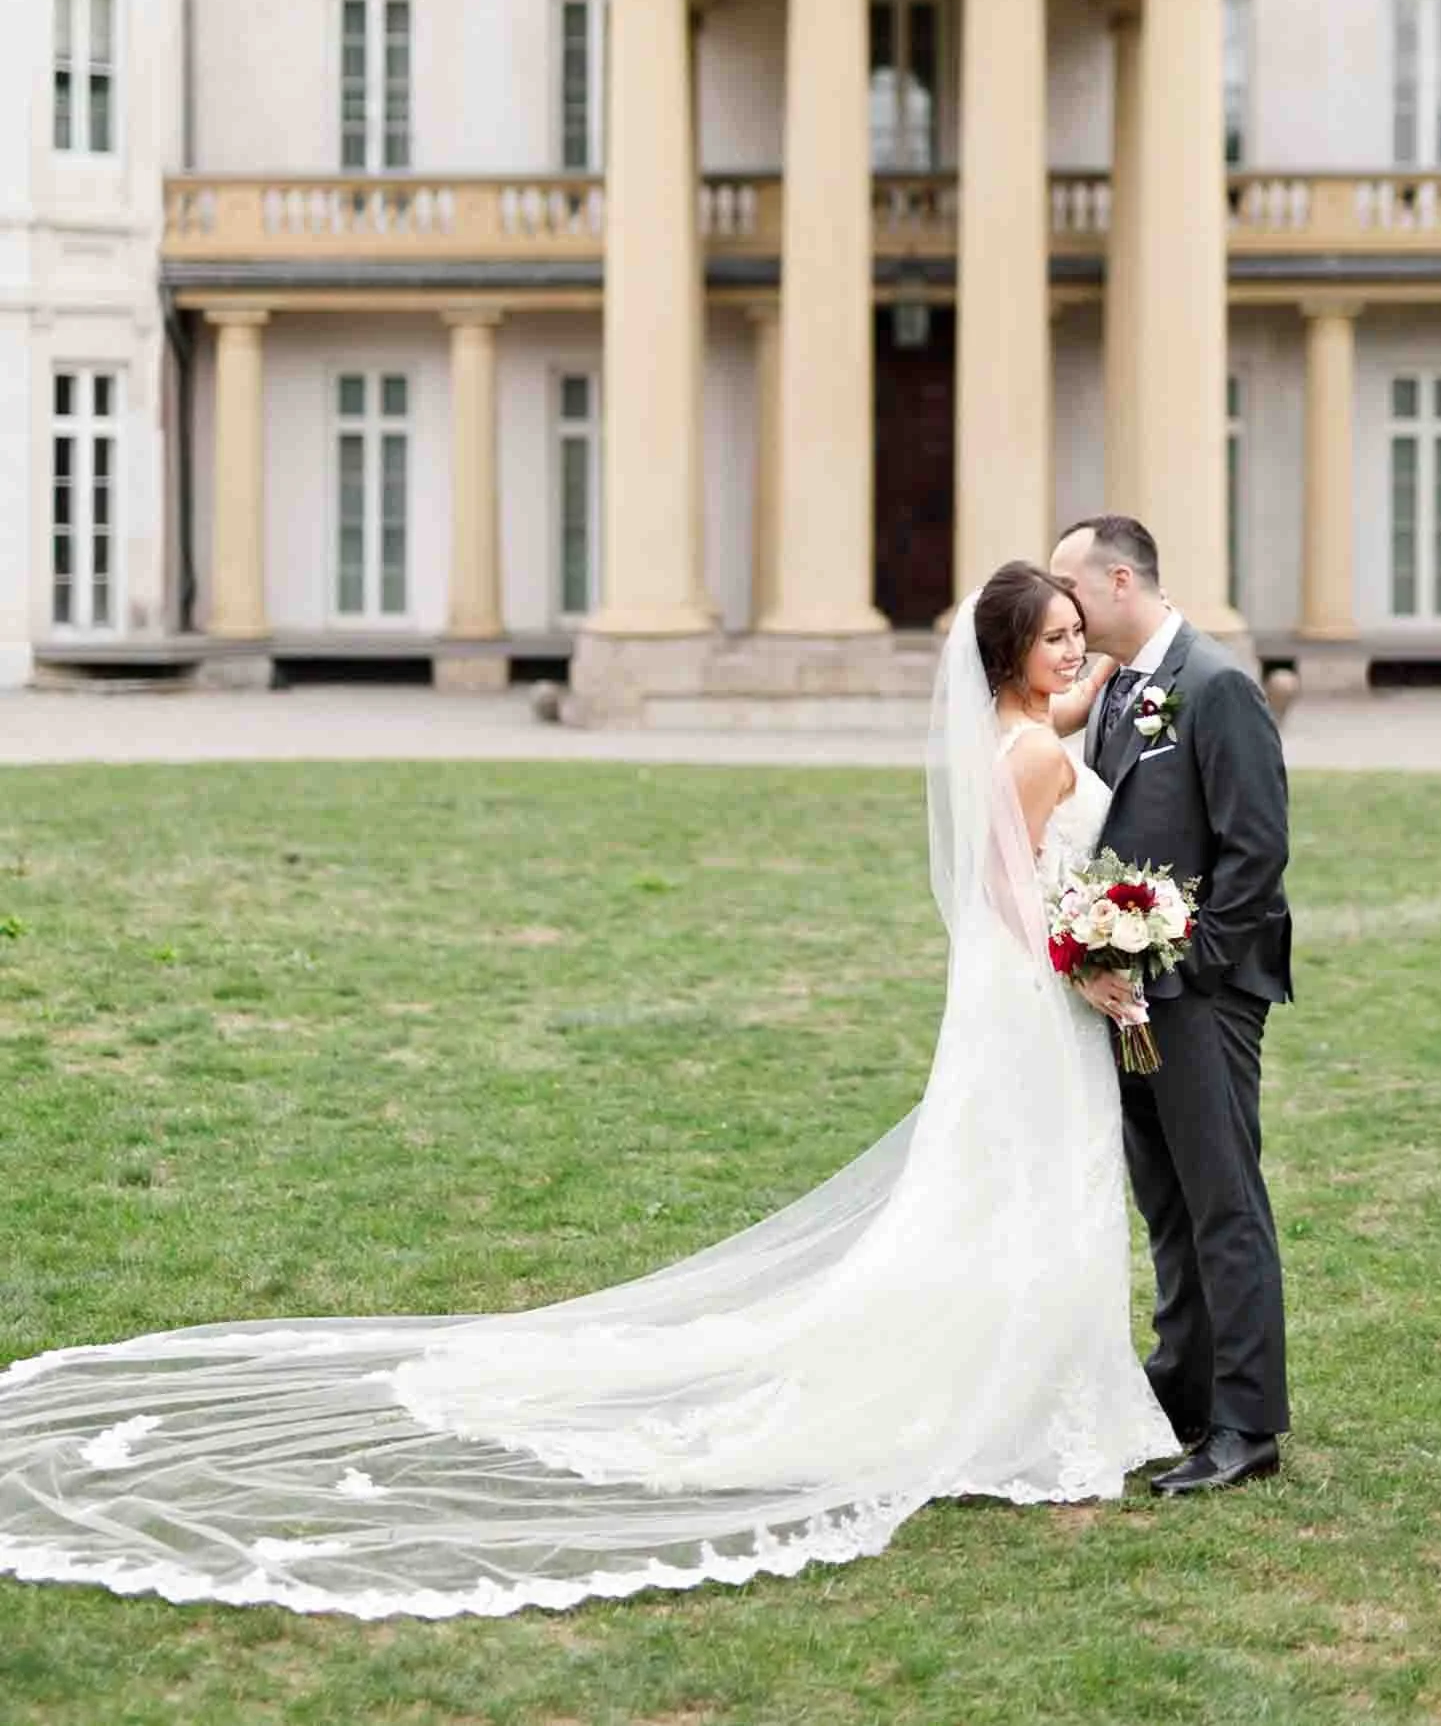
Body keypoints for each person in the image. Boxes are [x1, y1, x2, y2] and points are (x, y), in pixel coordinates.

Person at [0, 565, 1175, 1622]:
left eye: (1079, 632)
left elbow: (1057, 741)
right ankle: (1026, 1394)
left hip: (1026, 995)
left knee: (1016, 1182)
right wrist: (1084, 968)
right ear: (1010, 651)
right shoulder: (1023, 753)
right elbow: (1009, 882)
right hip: (1034, 996)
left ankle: (1038, 1380)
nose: (1073, 651)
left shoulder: (1022, 729)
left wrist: (1127, 662)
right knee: (1027, 1181)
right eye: (1056, 636)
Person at [1049, 514, 1293, 1495]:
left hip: (1203, 995)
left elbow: (1254, 855)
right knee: (1169, 1204)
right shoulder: (1118, 692)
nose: (1062, 606)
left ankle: (1246, 1423)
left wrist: (1177, 970)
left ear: (1118, 580)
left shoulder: (1218, 686)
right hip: (1133, 999)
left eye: (1070, 586)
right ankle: (1184, 1385)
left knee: (1224, 1201)